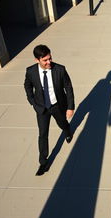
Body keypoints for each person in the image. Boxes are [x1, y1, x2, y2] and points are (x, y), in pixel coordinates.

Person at [24, 45, 75, 175]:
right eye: (45, 60)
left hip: (57, 106)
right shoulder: (31, 71)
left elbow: (68, 88)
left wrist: (70, 107)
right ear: (37, 60)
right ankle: (43, 162)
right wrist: (32, 102)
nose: (49, 62)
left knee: (62, 124)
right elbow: (27, 86)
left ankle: (67, 131)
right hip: (42, 109)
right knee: (43, 135)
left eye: (50, 58)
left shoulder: (60, 69)